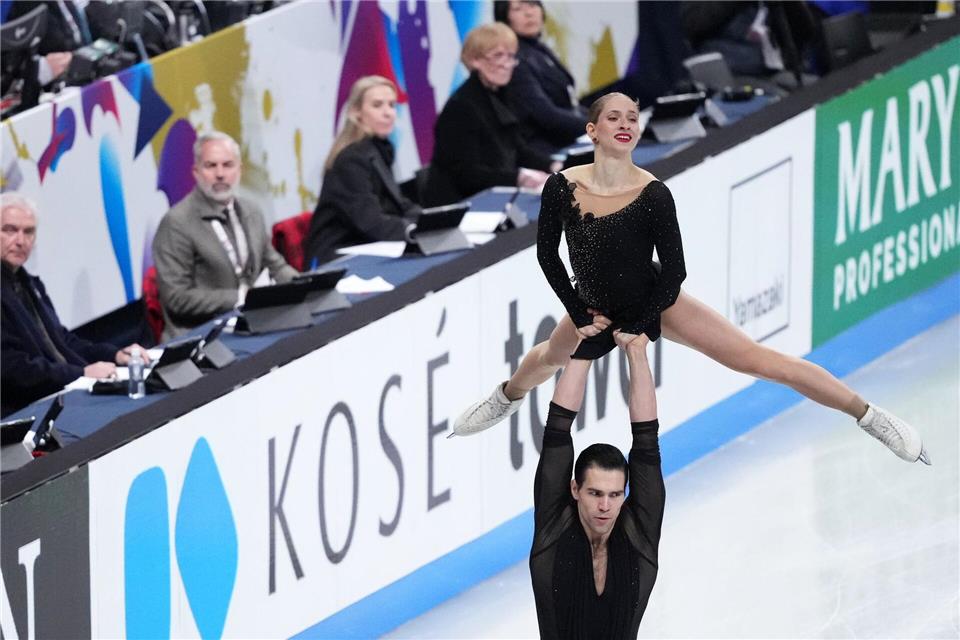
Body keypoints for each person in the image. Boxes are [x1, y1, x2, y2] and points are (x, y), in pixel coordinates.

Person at [452, 92, 930, 466]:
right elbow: (547, 255)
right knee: (545, 357)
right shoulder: (562, 186)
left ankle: (869, 416)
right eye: (614, 118)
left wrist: (640, 321)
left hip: (654, 298)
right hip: (591, 303)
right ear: (593, 130)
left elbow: (675, 271)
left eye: (632, 119)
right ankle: (506, 398)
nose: (625, 125)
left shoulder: (653, 193)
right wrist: (579, 314)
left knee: (757, 360)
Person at [531, 328, 663, 639]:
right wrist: (584, 346)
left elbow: (647, 439)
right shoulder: (555, 525)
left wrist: (637, 351)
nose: (605, 506)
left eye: (615, 494)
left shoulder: (638, 532)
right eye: (595, 493)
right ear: (574, 489)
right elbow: (557, 429)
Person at [0, 192, 148, 416]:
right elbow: (12, 367)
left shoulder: (29, 283)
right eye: (10, 230)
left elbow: (63, 342)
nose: (21, 241)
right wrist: (81, 373)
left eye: (28, 232)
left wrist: (115, 355)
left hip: (62, 396)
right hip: (25, 412)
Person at [153, 131, 298, 341]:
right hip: (202, 336)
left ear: (240, 170)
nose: (220, 174)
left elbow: (274, 265)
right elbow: (177, 298)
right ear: (196, 172)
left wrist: (305, 286)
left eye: (228, 165)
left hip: (252, 322)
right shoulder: (177, 223)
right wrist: (241, 298)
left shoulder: (251, 211)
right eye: (211, 166)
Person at [423, 22, 558, 207]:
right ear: (474, 60)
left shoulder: (501, 94)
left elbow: (518, 149)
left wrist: (554, 166)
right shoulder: (460, 107)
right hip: (461, 206)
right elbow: (467, 175)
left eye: (510, 56)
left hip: (495, 198)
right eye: (497, 55)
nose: (506, 63)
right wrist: (520, 177)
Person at [302, 75, 421, 267]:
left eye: (391, 105)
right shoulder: (352, 159)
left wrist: (429, 220)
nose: (388, 113)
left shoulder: (379, 148)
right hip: (337, 258)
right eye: (377, 105)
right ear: (356, 112)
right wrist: (412, 229)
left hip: (368, 245)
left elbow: (396, 203)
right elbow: (369, 221)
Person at [493, 0, 587, 154]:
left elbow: (569, 103)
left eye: (532, 5)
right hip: (544, 150)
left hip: (566, 138)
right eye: (518, 9)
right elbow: (546, 115)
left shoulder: (538, 47)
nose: (529, 13)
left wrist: (603, 117)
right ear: (504, 18)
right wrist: (597, 126)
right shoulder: (514, 60)